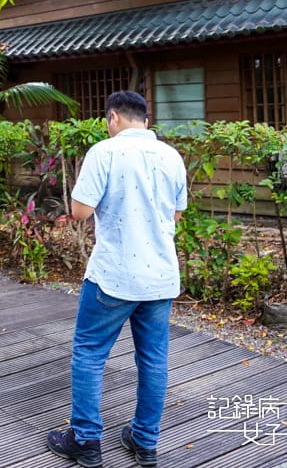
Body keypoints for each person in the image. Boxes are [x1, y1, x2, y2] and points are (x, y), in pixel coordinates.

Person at [47, 90, 187, 468]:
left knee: (90, 354)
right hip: (160, 277)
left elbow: (79, 211)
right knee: (154, 360)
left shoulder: (104, 152)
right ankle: (145, 441)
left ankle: (87, 441)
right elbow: (175, 216)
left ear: (113, 118)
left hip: (114, 275)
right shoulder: (172, 156)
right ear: (144, 118)